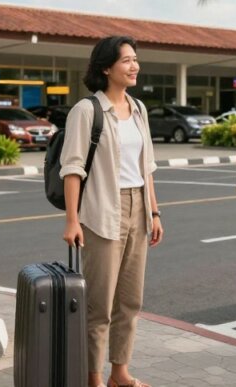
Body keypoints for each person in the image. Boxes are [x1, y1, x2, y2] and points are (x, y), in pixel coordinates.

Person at [60, 35, 164, 387]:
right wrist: (72, 220)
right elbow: (73, 168)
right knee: (99, 306)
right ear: (106, 67)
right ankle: (94, 378)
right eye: (127, 60)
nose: (135, 66)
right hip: (103, 210)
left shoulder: (139, 109)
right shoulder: (86, 111)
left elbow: (146, 165)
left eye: (136, 59)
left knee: (130, 300)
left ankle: (120, 372)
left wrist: (154, 212)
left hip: (138, 206)